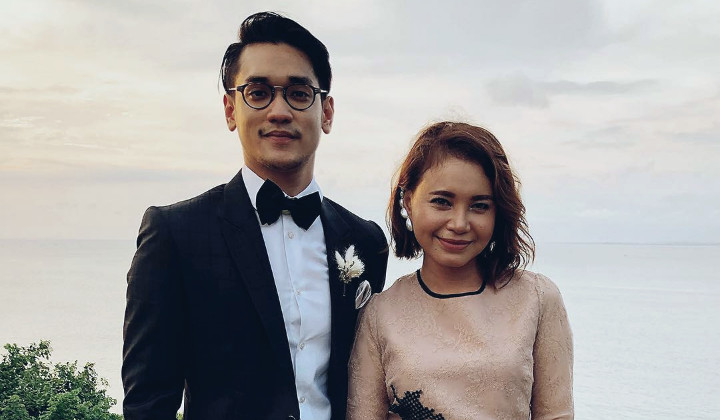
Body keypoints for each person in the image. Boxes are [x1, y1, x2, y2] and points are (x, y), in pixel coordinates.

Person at [122, 12, 388, 420]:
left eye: (298, 93)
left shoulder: (365, 241)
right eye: (258, 93)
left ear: (327, 112)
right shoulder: (175, 234)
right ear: (231, 110)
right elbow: (148, 402)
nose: (279, 111)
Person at [347, 121, 573, 420]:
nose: (459, 223)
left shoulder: (538, 299)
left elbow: (556, 414)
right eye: (442, 202)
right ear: (409, 201)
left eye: (479, 206)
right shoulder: (380, 314)